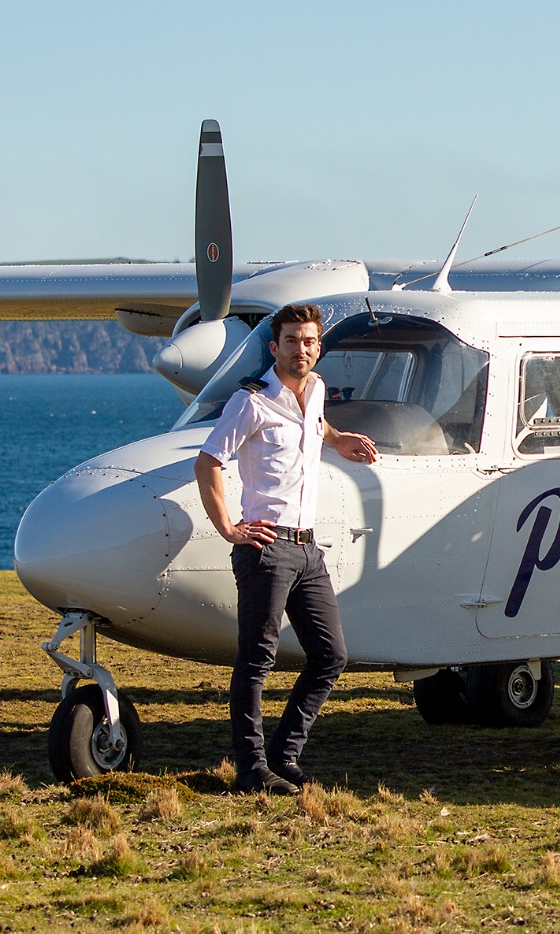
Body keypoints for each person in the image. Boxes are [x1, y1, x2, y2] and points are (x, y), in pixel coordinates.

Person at [194, 303, 378, 795]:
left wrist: (338, 440)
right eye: (293, 340)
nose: (303, 348)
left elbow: (314, 427)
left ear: (319, 348)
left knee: (330, 655)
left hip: (307, 547)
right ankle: (251, 769)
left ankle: (283, 755)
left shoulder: (315, 391)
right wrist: (229, 527)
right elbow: (208, 461)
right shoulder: (250, 402)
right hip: (267, 548)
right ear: (275, 348)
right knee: (256, 661)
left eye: (311, 341)